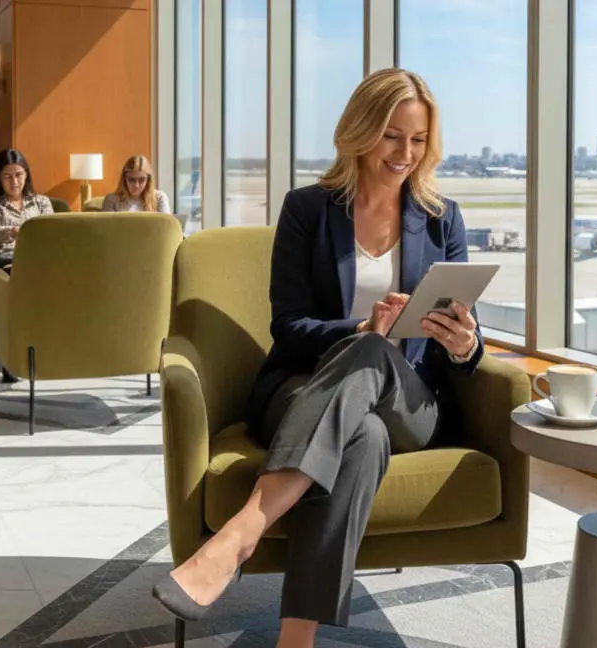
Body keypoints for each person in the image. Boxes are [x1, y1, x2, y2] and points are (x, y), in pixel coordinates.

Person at [152, 68, 484, 646]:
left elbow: (465, 329)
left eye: (417, 139)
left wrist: (466, 345)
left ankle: (240, 534)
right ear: (360, 130)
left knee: (375, 359)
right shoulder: (308, 209)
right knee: (363, 437)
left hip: (410, 405)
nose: (404, 153)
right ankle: (297, 638)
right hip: (303, 390)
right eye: (391, 136)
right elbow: (288, 325)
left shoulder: (441, 218)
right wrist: (360, 328)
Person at [0, 149, 53, 280]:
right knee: (27, 261)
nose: (14, 182)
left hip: (34, 254)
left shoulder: (41, 202)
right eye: (7, 176)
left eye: (18, 175)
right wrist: (14, 232)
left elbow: (51, 230)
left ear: (26, 175)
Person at [101, 155, 171, 213]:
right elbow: (106, 225)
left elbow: (166, 224)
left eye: (142, 180)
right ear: (124, 179)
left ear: (148, 180)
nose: (136, 185)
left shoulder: (159, 198)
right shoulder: (112, 200)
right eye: (131, 180)